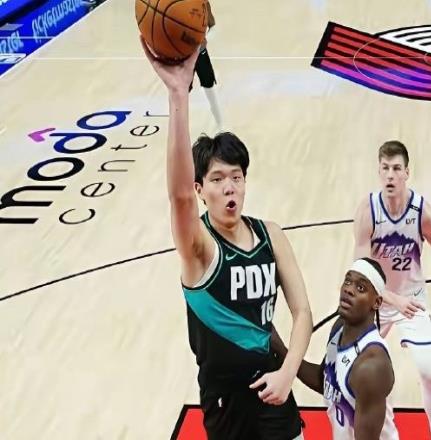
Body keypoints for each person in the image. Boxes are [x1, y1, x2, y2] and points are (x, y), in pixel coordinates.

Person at [140, 39, 312, 440]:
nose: (230, 187)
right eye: (217, 179)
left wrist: (288, 374)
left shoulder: (271, 235)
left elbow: (303, 312)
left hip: (274, 387)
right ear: (201, 189)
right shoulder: (199, 248)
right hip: (225, 402)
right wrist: (178, 95)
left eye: (237, 177)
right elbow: (178, 196)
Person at [353, 140, 431, 440]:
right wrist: (391, 298)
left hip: (413, 300)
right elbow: (361, 273)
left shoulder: (422, 212)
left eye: (397, 168)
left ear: (407, 173)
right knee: (364, 376)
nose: (390, 175)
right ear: (378, 171)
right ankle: (388, 433)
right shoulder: (368, 211)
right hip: (377, 303)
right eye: (385, 168)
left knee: (430, 373)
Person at [272, 258, 399, 440]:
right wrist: (279, 347)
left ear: (377, 302)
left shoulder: (372, 366)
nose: (349, 289)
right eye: (347, 281)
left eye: (360, 288)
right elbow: (325, 382)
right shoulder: (339, 329)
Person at [189, 1, 223, 130]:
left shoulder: (202, 3)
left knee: (209, 86)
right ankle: (180, 124)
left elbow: (213, 26)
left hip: (200, 51)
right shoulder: (172, 5)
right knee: (182, 90)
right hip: (182, 54)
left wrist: (206, 38)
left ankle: (219, 121)